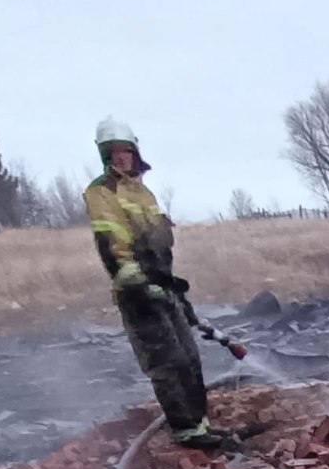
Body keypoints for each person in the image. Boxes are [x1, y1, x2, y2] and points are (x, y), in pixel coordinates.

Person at [83, 119, 226, 449]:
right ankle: (186, 431)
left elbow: (157, 242)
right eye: (114, 153)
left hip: (163, 285)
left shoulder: (141, 191)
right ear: (105, 156)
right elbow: (113, 241)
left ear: (134, 152)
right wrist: (138, 283)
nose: (121, 158)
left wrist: (170, 286)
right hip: (137, 292)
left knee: (189, 357)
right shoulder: (102, 191)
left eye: (126, 151)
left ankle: (201, 426)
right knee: (167, 362)